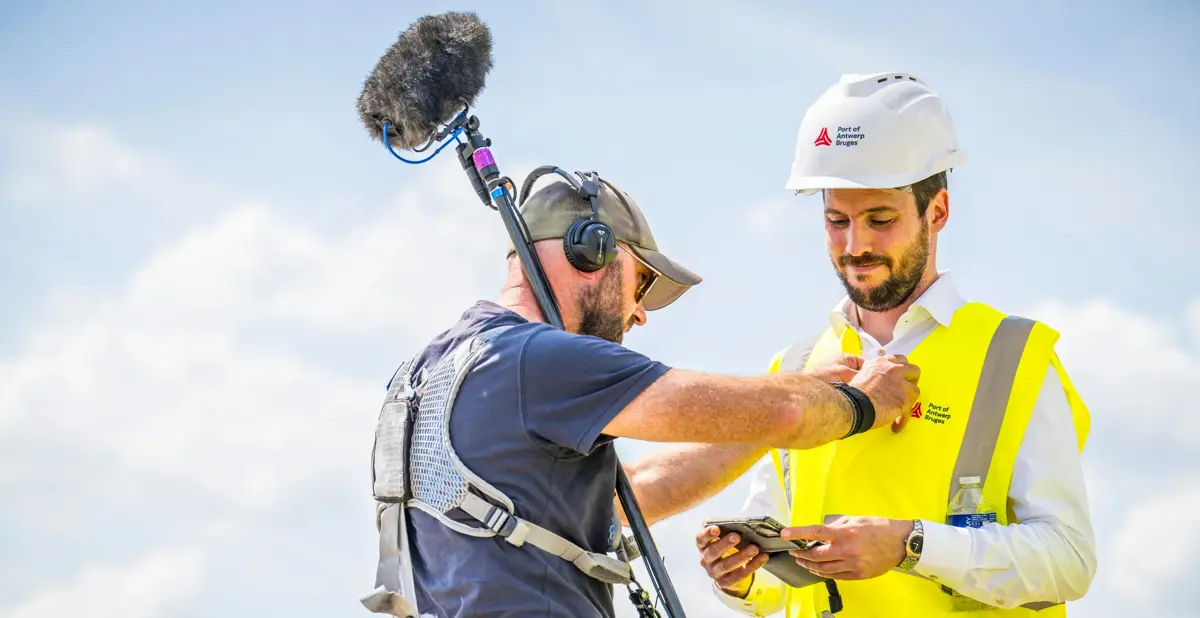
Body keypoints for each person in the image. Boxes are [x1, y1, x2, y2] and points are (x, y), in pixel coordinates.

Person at [363, 174, 922, 618]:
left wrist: (775, 423)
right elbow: (785, 410)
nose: (640, 312)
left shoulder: (428, 373)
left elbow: (626, 498)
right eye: (642, 282)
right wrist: (865, 401)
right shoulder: (543, 361)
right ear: (592, 252)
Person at [697, 72, 1096, 617]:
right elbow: (780, 586)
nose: (855, 245)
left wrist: (912, 545)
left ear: (937, 213)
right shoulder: (795, 366)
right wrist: (739, 579)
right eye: (836, 220)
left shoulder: (1011, 356)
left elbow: (1069, 561)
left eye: (880, 220)